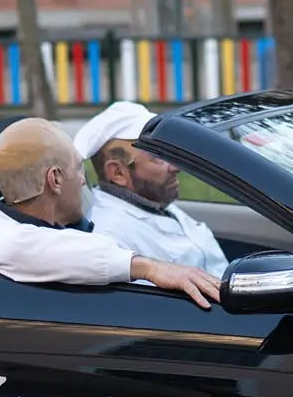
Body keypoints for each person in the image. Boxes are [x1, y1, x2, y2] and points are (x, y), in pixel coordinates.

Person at [0, 118, 220, 308]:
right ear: (54, 179)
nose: (82, 180)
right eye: (78, 168)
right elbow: (27, 248)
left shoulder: (60, 227)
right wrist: (148, 268)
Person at [74, 101, 229, 277]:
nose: (175, 167)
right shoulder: (110, 236)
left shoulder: (153, 201)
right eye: (158, 157)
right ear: (118, 172)